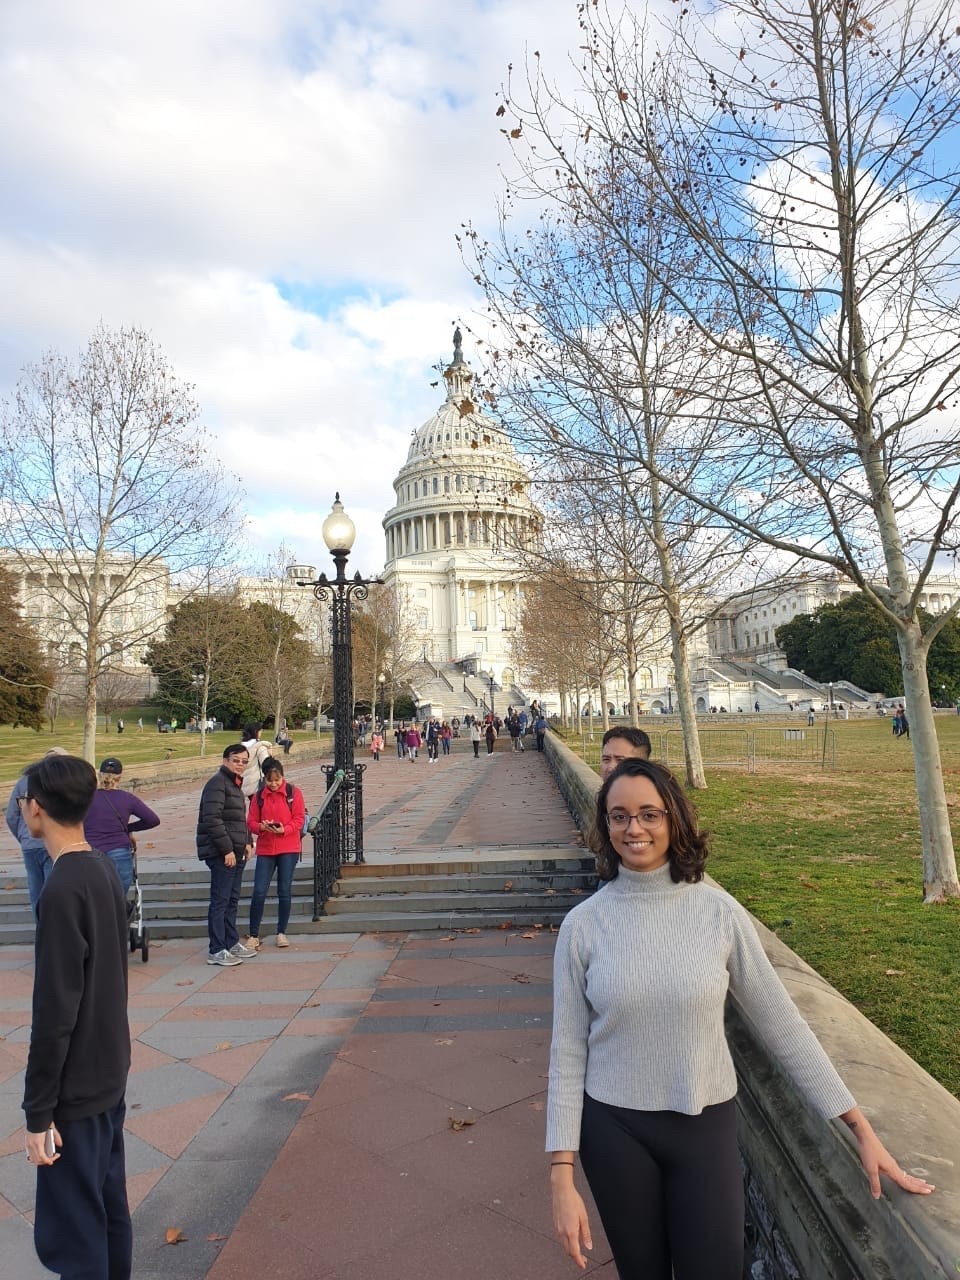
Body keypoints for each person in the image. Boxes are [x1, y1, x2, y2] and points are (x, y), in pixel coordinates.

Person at [547, 758, 935, 1278]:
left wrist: (859, 1127)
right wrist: (561, 1174)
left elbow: (783, 1025)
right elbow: (568, 1050)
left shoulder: (718, 912)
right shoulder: (583, 927)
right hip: (615, 1127)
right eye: (619, 816)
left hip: (703, 1124)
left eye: (648, 814)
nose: (633, 828)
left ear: (674, 819)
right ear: (606, 824)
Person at [19, 753, 133, 1280]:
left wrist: (38, 1112)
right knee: (108, 1211)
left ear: (35, 809)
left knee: (76, 1230)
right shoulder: (102, 868)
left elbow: (54, 1011)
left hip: (78, 1085)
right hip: (108, 1069)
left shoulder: (62, 887)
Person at [197, 744, 257, 965]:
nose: (240, 764)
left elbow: (240, 819)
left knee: (232, 899)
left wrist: (248, 842)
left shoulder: (234, 785)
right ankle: (216, 948)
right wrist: (227, 850)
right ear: (225, 760)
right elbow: (212, 819)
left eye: (244, 761)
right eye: (236, 760)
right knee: (220, 900)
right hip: (223, 852)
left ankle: (231, 942)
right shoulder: (217, 784)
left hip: (237, 850)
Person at [245, 758, 305, 950]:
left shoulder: (293, 793)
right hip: (266, 848)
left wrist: (284, 829)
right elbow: (251, 821)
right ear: (265, 779)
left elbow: (299, 819)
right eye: (270, 781)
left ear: (282, 777)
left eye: (277, 780)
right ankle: (254, 933)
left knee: (284, 890)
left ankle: (281, 932)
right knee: (259, 890)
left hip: (288, 847)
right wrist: (261, 827)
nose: (273, 784)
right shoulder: (259, 797)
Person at [83, 758, 161, 896]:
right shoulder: (127, 798)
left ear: (99, 775)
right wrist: (129, 828)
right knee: (117, 899)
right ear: (120, 777)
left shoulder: (86, 798)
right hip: (119, 850)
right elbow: (153, 820)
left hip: (91, 852)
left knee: (94, 899)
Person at [6, 747, 67, 918]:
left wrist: (23, 836)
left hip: (29, 844)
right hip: (52, 842)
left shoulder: (24, 782)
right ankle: (52, 929)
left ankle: (41, 927)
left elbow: (11, 815)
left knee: (36, 889)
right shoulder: (61, 782)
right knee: (52, 889)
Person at [241, 722, 275, 799]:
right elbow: (266, 764)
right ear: (256, 732)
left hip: (244, 781)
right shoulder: (261, 747)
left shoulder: (241, 747)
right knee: (258, 805)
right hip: (257, 782)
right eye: (260, 731)